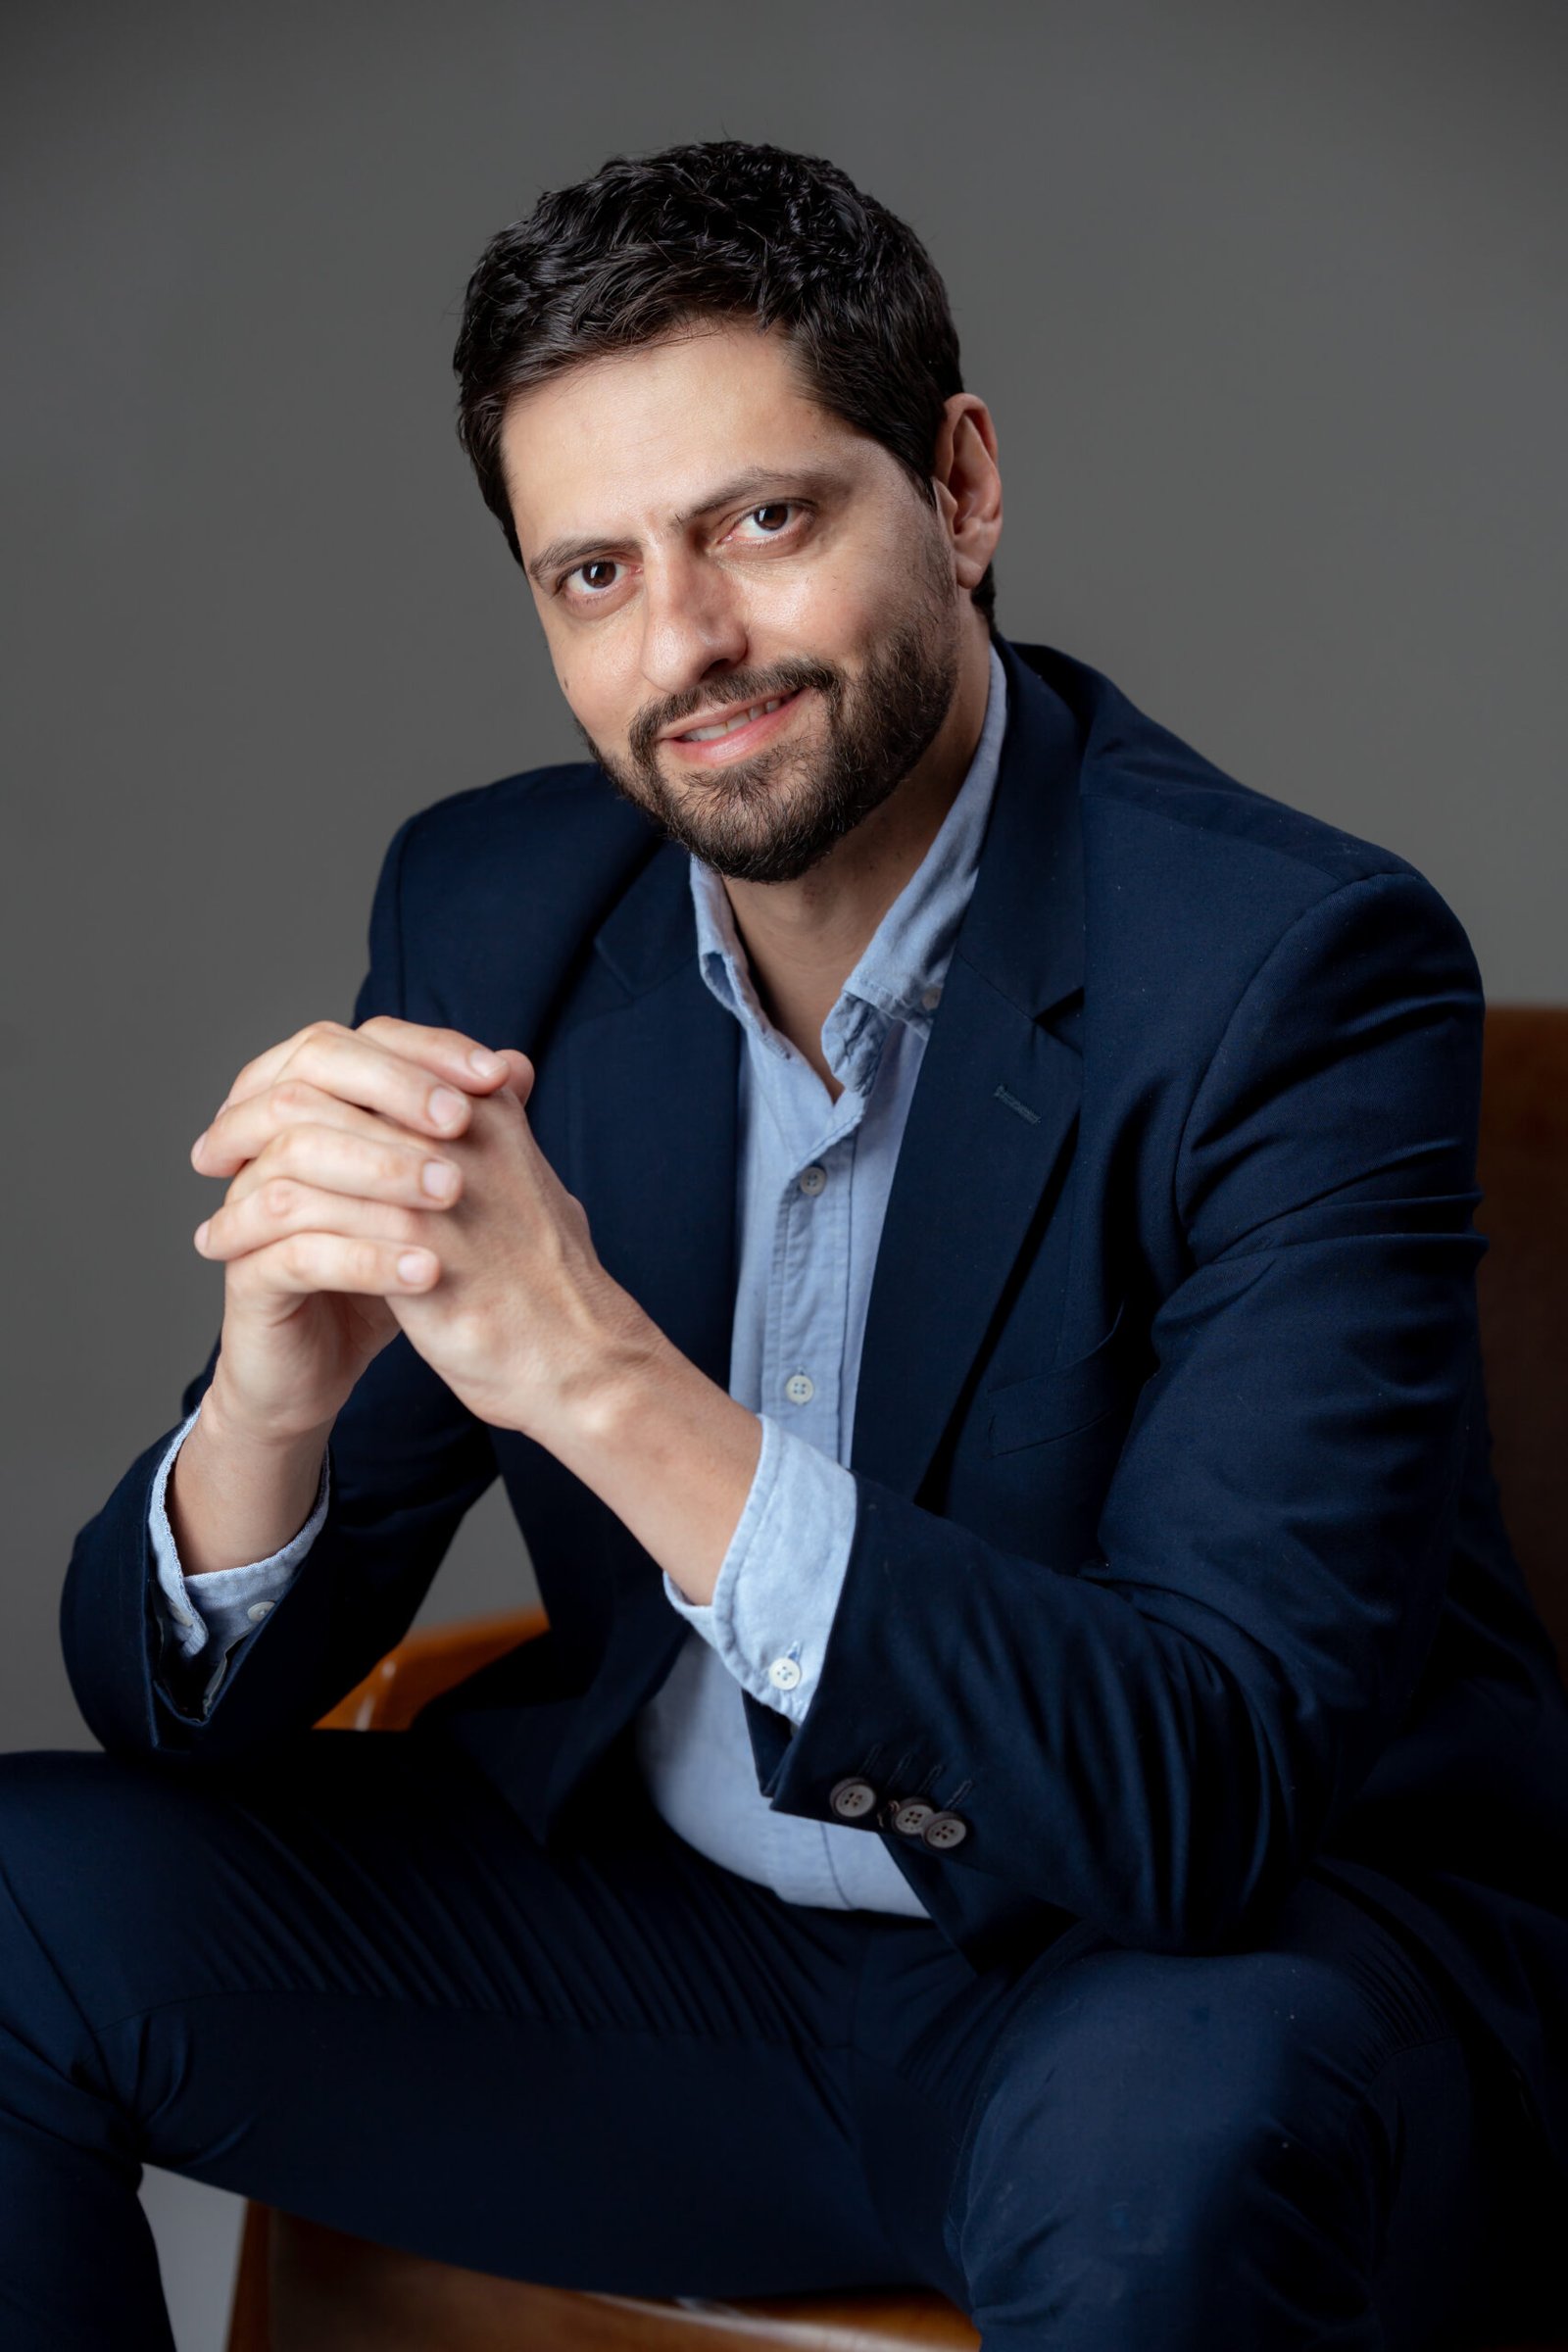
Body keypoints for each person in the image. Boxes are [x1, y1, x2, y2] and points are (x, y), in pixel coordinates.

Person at [9, 139, 1565, 2351]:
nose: (687, 647)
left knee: (1169, 2160)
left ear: (960, 486)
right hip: (684, 1968)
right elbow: (184, 1722)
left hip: (1158, 1985)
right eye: (593, 573)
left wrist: (598, 1383)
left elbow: (1199, 1798)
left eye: (760, 521)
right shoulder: (492, 908)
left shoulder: (1291, 972)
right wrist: (268, 1406)